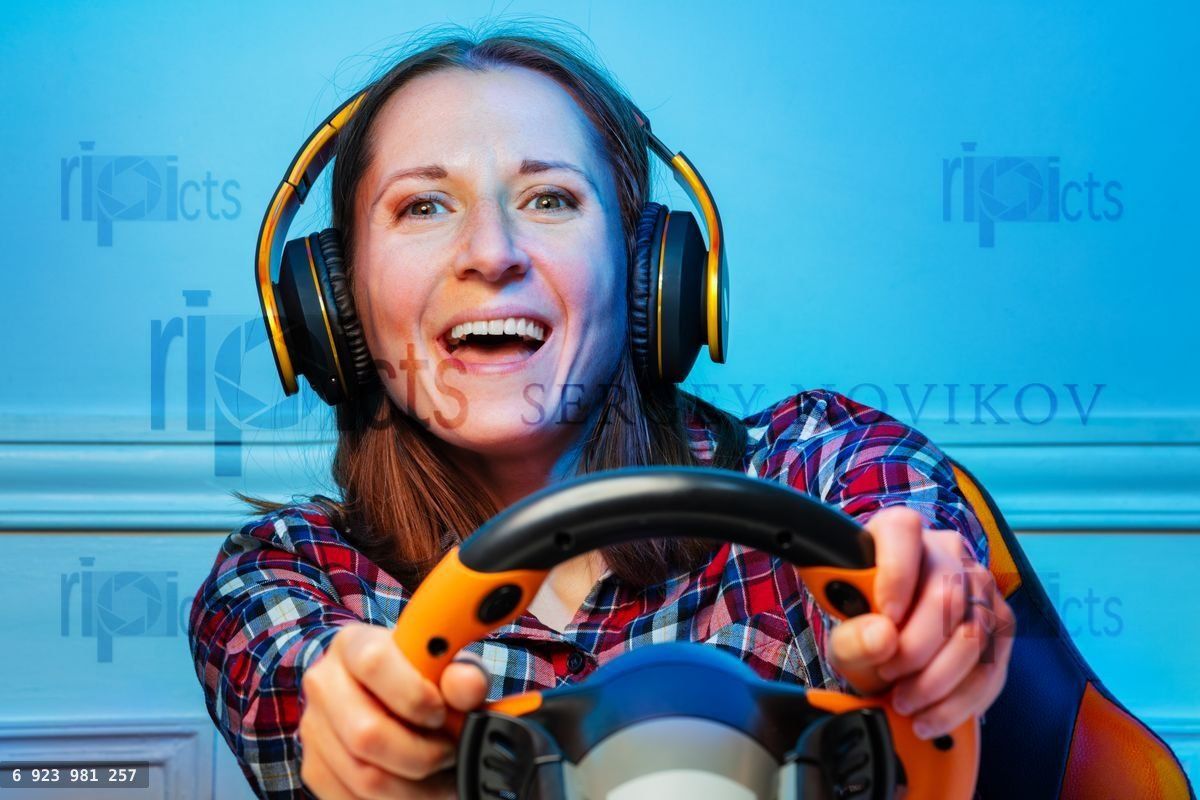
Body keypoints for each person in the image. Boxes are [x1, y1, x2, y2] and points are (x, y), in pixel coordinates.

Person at [188, 24, 1015, 800]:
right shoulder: (281, 576)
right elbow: (306, 687)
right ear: (337, 304)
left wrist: (931, 621)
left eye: (550, 199)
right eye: (423, 207)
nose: (491, 253)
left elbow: (910, 540)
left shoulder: (821, 458)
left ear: (648, 273)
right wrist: (364, 734)